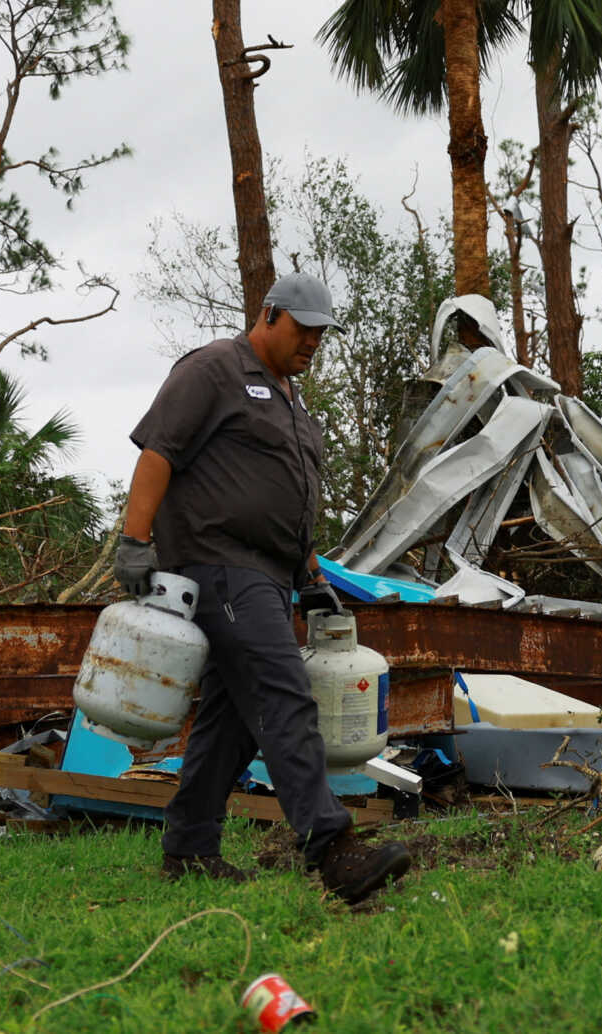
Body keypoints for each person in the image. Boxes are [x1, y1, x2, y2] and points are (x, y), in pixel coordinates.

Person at [114, 272, 413, 901]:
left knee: (233, 718)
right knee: (283, 695)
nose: (313, 343)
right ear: (269, 315)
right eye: (303, 329)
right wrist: (134, 540)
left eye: (321, 334)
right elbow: (158, 452)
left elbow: (284, 502)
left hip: (271, 577)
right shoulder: (215, 369)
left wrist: (310, 576)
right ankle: (334, 851)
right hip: (220, 565)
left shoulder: (290, 401)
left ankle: (190, 846)